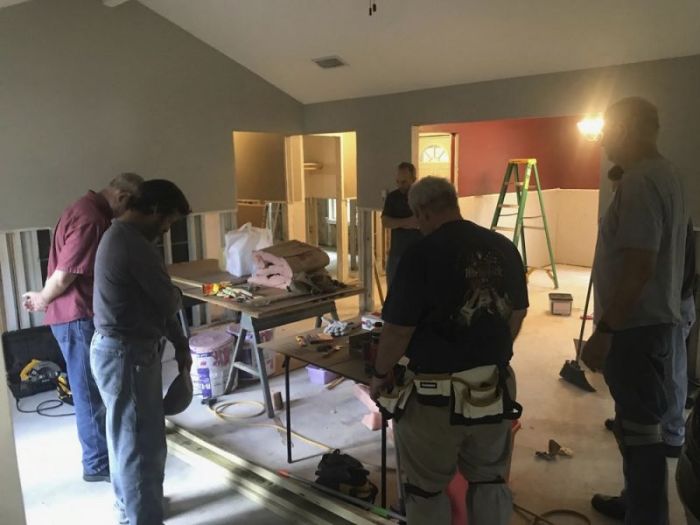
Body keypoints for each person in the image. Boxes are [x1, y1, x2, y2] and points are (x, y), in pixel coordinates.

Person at [370, 176, 528, 525]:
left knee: (426, 490)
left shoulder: (420, 255)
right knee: (489, 479)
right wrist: (491, 353)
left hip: (434, 399)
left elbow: (396, 331)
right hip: (492, 389)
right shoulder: (503, 246)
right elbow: (516, 314)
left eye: (417, 216)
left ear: (424, 212)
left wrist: (380, 375)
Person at [581, 97, 688, 524]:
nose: (603, 138)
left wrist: (605, 330)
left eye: (607, 129)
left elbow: (639, 267)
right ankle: (635, 502)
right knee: (634, 425)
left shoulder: (642, 182)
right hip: (652, 324)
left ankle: (646, 516)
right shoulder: (668, 175)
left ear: (625, 129)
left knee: (642, 435)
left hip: (635, 330)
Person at [22, 173, 143, 482]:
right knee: (89, 392)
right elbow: (65, 274)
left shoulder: (84, 208)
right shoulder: (91, 218)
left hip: (75, 316)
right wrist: (41, 299)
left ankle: (101, 456)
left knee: (91, 389)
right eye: (130, 207)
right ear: (122, 197)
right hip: (76, 317)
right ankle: (98, 464)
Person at [90, 179, 193, 525]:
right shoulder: (131, 243)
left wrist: (180, 342)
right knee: (139, 447)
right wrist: (175, 291)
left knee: (128, 439)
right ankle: (141, 518)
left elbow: (156, 305)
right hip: (126, 355)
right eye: (168, 222)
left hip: (121, 352)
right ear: (152, 211)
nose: (167, 230)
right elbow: (166, 300)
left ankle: (130, 512)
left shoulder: (123, 237)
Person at [603, 170, 696, 460]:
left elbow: (651, 269)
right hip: (665, 306)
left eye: (619, 190)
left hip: (673, 306)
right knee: (651, 376)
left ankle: (672, 435)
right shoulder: (651, 214)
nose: (618, 196)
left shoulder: (663, 217)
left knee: (672, 374)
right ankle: (637, 420)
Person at [381, 162, 422, 288]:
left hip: (418, 255)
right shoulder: (393, 197)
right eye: (397, 181)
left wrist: (397, 223)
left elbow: (420, 223)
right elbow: (385, 222)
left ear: (413, 179)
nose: (400, 185)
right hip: (396, 254)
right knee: (393, 291)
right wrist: (407, 222)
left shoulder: (423, 197)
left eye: (404, 182)